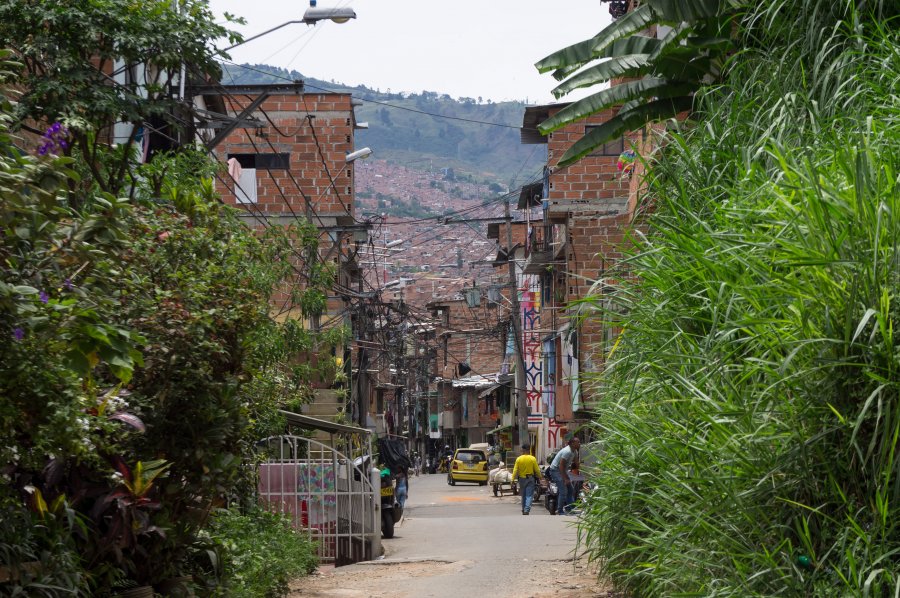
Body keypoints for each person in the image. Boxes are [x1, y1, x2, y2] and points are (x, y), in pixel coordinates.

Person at [547, 436, 581, 515]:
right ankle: (560, 510)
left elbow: (576, 463)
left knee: (571, 490)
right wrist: (565, 479)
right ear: (572, 443)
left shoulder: (574, 451)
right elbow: (561, 466)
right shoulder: (567, 451)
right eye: (578, 442)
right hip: (555, 470)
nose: (579, 444)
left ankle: (570, 508)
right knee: (563, 491)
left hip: (562, 471)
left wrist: (582, 472)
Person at [511, 442, 542, 515]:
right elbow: (537, 470)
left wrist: (512, 480)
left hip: (521, 479)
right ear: (529, 450)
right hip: (530, 478)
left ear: (523, 450)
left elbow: (515, 470)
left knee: (523, 495)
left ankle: (523, 509)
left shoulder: (518, 459)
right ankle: (526, 510)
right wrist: (540, 477)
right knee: (529, 495)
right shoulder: (532, 458)